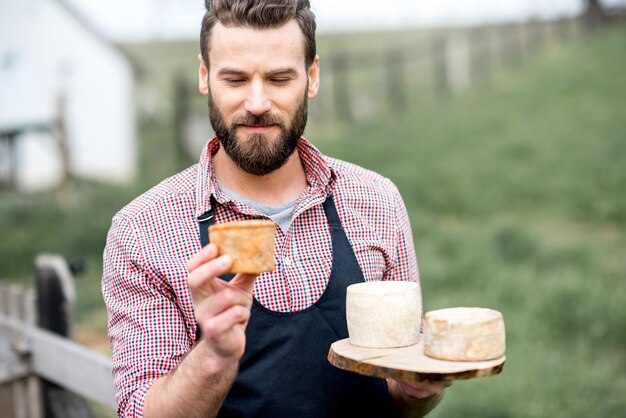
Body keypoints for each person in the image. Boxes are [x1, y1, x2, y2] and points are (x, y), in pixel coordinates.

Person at [102, 0, 449, 417]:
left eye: (279, 78)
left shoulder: (376, 200)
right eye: (235, 79)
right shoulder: (142, 232)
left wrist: (418, 390)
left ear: (312, 76)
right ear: (204, 76)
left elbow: (398, 396)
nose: (257, 102)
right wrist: (214, 355)